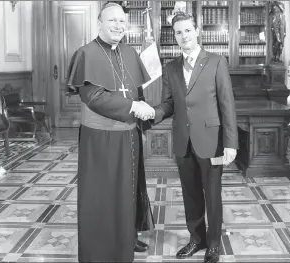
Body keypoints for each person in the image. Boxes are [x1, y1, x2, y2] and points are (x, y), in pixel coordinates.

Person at [137, 12, 238, 263]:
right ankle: (197, 239)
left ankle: (213, 243)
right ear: (175, 36)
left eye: (187, 30)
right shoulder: (171, 67)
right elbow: (169, 104)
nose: (183, 36)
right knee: (190, 194)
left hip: (211, 141)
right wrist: (152, 113)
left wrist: (231, 143)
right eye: (178, 32)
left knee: (212, 194)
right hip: (183, 142)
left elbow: (227, 105)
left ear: (197, 31)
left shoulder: (216, 62)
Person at [66, 3, 155, 262]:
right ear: (99, 23)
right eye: (112, 21)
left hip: (129, 135)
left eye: (122, 22)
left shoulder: (129, 51)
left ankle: (126, 235)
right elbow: (93, 97)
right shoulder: (86, 54)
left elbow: (138, 91)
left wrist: (142, 121)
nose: (118, 26)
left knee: (129, 189)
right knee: (103, 194)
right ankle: (102, 247)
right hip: (102, 139)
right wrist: (133, 107)